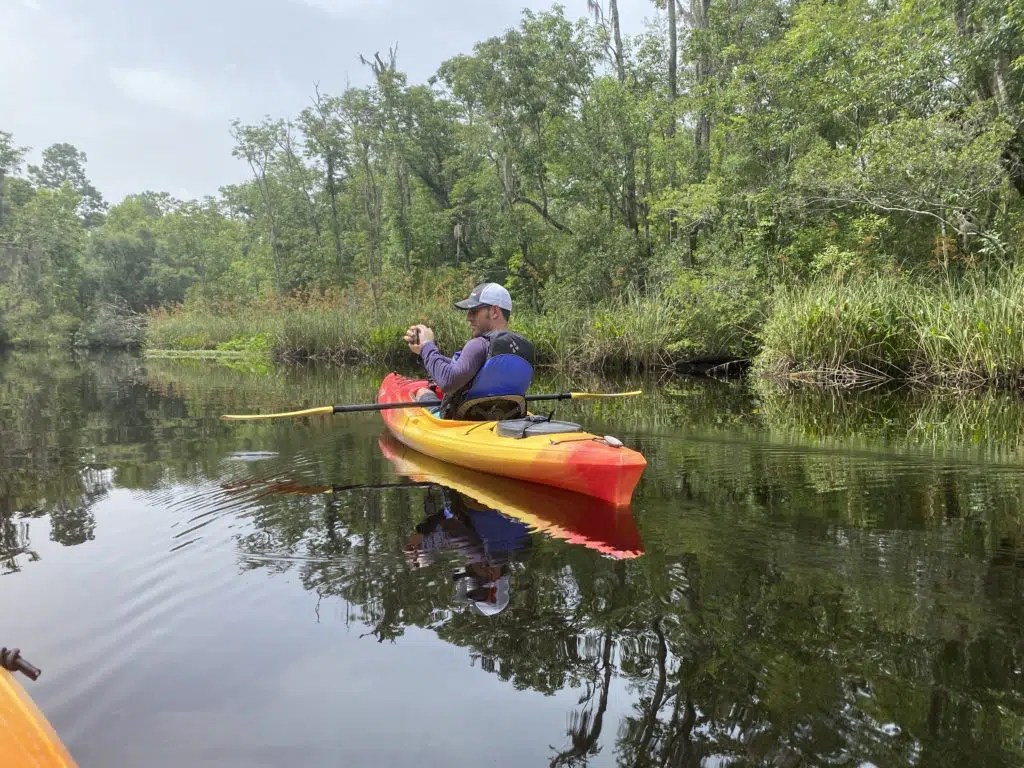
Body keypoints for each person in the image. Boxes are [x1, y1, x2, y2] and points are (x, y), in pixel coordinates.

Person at [403, 282, 534, 419]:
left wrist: (427, 345)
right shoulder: (524, 348)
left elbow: (448, 382)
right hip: (508, 417)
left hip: (465, 422)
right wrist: (424, 352)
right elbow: (472, 369)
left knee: (422, 392)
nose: (469, 317)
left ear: (494, 312)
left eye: (474, 311)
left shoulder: (478, 345)